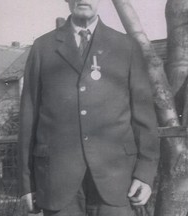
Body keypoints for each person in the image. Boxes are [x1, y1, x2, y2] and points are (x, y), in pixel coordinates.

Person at [18, 0, 160, 215]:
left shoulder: (125, 46)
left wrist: (145, 173)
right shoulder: (42, 48)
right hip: (57, 180)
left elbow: (144, 118)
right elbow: (28, 117)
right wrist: (26, 183)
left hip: (117, 179)